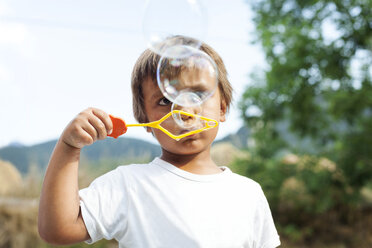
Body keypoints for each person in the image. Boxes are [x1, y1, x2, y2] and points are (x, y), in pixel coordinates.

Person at [38, 37, 281, 248]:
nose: (185, 111)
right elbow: (58, 229)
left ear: (222, 108)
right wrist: (69, 147)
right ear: (145, 119)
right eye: (165, 101)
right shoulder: (128, 185)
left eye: (197, 94)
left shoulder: (249, 193)